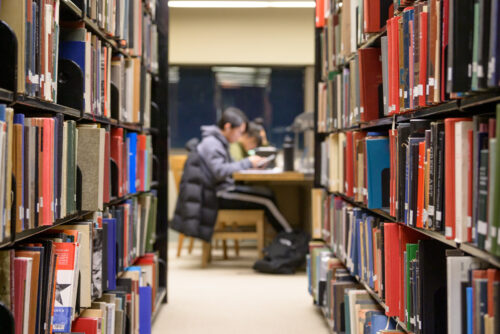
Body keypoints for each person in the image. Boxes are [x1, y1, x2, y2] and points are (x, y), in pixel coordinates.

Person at [197, 107, 293, 233]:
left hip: (223, 190)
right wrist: (248, 162)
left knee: (268, 194)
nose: (239, 137)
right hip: (218, 195)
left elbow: (231, 165)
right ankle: (288, 237)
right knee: (266, 202)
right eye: (238, 132)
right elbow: (219, 172)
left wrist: (251, 165)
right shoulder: (212, 143)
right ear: (227, 127)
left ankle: (283, 237)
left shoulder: (219, 142)